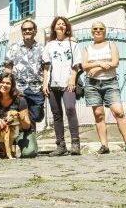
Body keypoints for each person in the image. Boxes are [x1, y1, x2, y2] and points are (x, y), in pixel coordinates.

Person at [82, 21, 126, 154]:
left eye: (101, 29)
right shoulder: (87, 48)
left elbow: (115, 62)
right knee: (99, 115)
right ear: (92, 31)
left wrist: (96, 67)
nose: (98, 31)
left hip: (110, 82)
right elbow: (84, 65)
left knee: (119, 112)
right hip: (92, 84)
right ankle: (104, 146)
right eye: (95, 29)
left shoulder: (111, 45)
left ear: (104, 31)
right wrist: (101, 63)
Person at [42, 16, 82, 156]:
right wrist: (45, 83)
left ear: (67, 28)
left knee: (70, 109)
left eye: (63, 24)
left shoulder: (73, 44)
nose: (61, 26)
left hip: (67, 83)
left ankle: (75, 143)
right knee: (56, 114)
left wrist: (72, 80)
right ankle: (61, 145)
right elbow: (46, 67)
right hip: (53, 85)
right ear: (54, 27)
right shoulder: (49, 45)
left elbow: (76, 65)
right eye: (58, 24)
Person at [4, 19, 45, 129]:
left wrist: (45, 85)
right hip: (18, 88)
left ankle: (30, 142)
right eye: (24, 29)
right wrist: (8, 86)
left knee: (35, 116)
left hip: (36, 88)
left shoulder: (42, 48)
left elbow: (46, 69)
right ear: (22, 31)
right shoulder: (13, 47)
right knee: (17, 117)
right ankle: (22, 144)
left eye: (30, 29)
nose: (27, 31)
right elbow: (8, 69)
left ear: (35, 31)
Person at [0, 72, 33, 157]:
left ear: (12, 86)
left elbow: (27, 126)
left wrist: (20, 118)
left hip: (21, 131)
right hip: (4, 130)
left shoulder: (20, 99)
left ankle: (13, 146)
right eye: (2, 82)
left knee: (29, 152)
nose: (4, 85)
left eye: (8, 83)